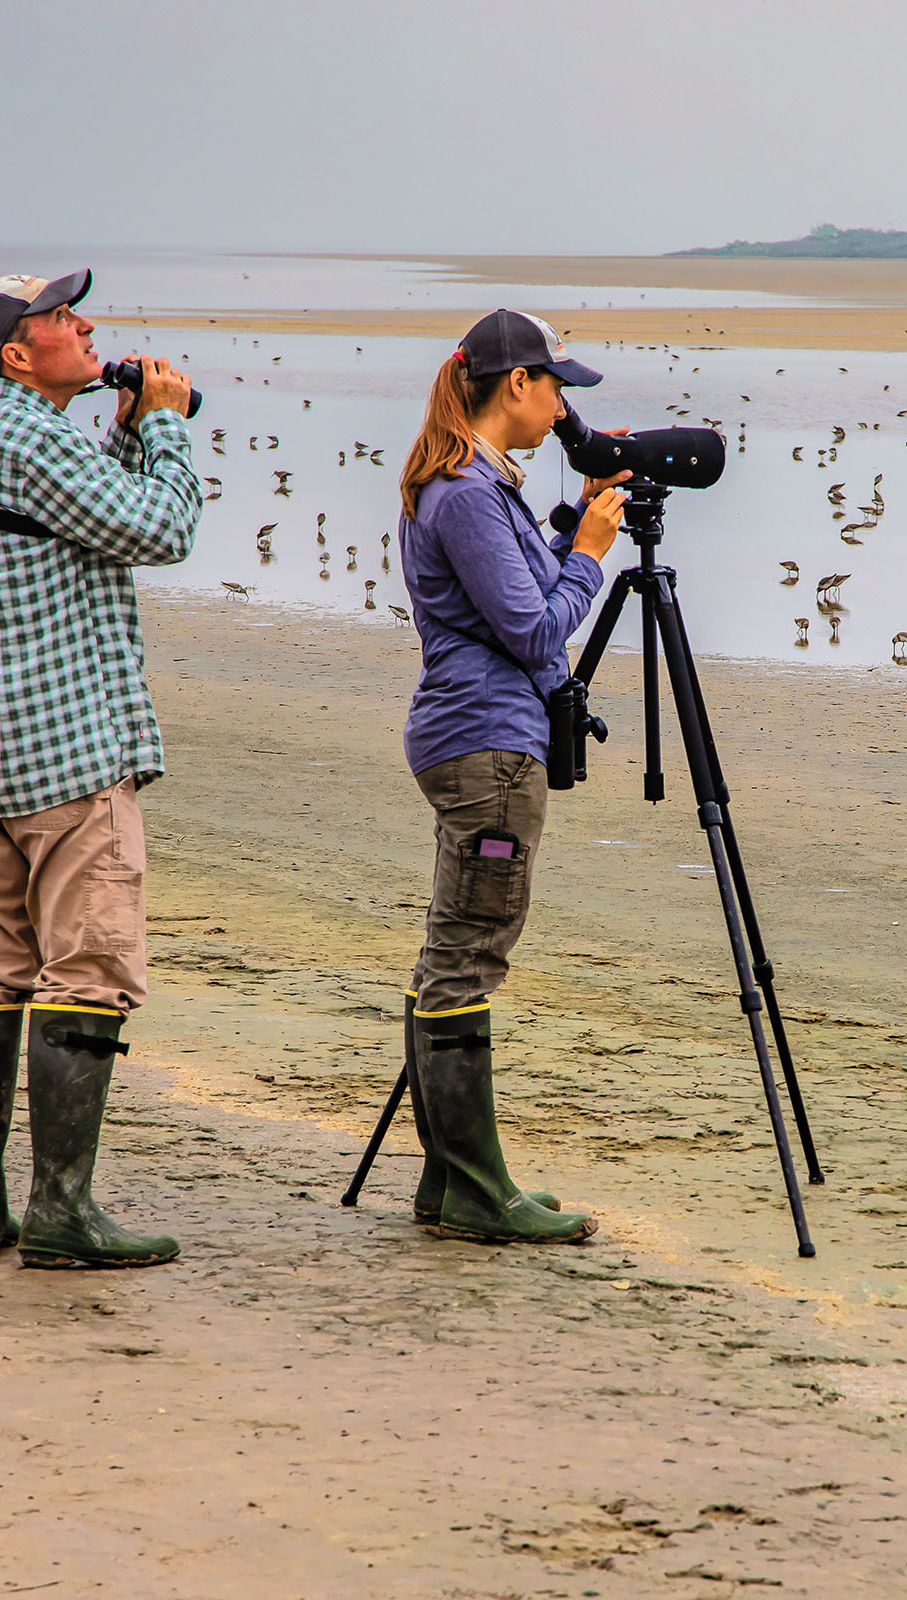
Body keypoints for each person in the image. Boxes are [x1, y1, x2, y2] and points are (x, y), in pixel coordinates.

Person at [0, 269, 202, 1268]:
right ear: (16, 351)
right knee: (87, 968)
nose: (85, 325)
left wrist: (124, 427)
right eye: (59, 317)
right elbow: (160, 529)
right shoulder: (32, 434)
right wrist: (166, 423)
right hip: (69, 746)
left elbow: (88, 525)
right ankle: (62, 1210)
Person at [393, 309, 627, 1244]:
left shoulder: (478, 484)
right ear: (517, 385)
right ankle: (477, 1192)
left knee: (454, 947)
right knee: (469, 953)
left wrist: (574, 524)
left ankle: (450, 1184)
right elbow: (535, 632)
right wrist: (594, 558)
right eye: (556, 384)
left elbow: (517, 595)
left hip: (480, 739)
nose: (564, 404)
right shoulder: (465, 491)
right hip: (487, 747)